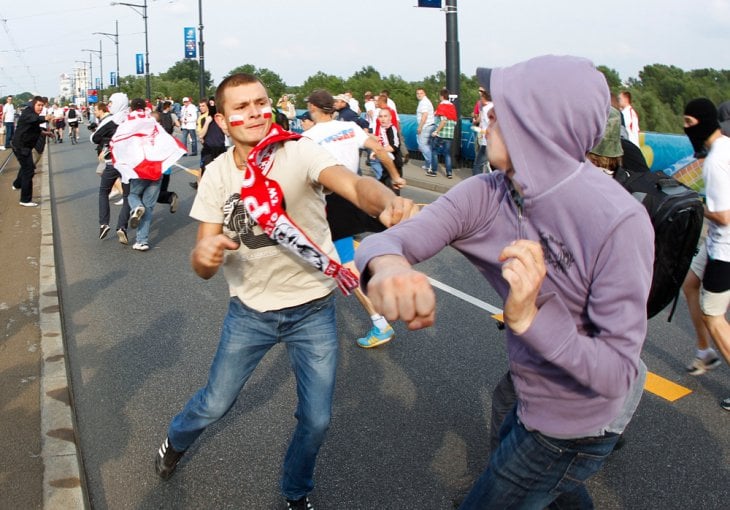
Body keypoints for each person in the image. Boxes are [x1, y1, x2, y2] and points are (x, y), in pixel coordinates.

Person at [355, 55, 654, 508]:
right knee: (547, 483)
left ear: (542, 124)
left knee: (515, 485)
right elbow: (383, 243)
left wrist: (530, 318)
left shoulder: (619, 220)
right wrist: (392, 267)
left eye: (504, 107)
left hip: (578, 419)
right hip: (527, 385)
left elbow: (616, 373)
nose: (488, 115)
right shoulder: (489, 191)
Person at [154, 73, 417, 510]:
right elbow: (201, 259)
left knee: (316, 420)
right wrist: (208, 255)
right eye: (241, 107)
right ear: (221, 118)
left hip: (313, 309)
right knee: (214, 404)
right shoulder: (218, 175)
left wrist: (385, 202)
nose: (254, 112)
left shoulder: (298, 151)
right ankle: (176, 440)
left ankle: (296, 492)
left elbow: (352, 184)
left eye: (260, 102)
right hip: (250, 313)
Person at [304, 89, 405, 349]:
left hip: (333, 200)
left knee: (346, 263)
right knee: (395, 231)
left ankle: (380, 322)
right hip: (359, 190)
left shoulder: (308, 138)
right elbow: (381, 150)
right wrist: (394, 176)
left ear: (313, 108)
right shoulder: (350, 127)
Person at [682, 98, 730, 411]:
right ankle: (705, 352)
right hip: (717, 242)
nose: (685, 129)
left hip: (724, 247)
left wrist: (697, 205)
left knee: (714, 317)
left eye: (688, 123)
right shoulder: (725, 145)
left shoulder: (714, 162)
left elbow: (723, 216)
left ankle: (713, 345)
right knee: (689, 283)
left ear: (701, 122)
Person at [110, 98, 186, 251]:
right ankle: (142, 241)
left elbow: (117, 142)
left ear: (131, 109)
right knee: (149, 207)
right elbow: (166, 140)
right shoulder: (152, 123)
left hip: (138, 169)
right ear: (145, 108)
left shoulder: (127, 123)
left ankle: (137, 207)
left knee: (132, 195)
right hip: (156, 169)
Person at [93, 95, 131, 242]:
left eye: (111, 102)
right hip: (128, 163)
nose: (109, 104)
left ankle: (104, 224)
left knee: (103, 191)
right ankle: (122, 226)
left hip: (112, 161)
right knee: (128, 196)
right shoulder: (130, 119)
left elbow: (94, 138)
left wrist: (107, 141)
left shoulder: (111, 120)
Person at [11, 96, 53, 206]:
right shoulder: (28, 113)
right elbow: (33, 119)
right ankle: (25, 200)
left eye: (42, 106)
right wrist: (45, 118)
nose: (40, 108)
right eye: (38, 105)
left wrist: (45, 133)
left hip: (25, 146)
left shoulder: (33, 114)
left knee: (27, 167)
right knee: (28, 170)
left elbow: (34, 127)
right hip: (21, 146)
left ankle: (17, 184)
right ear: (33, 104)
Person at [429, 87, 457, 178]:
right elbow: (454, 121)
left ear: (441, 96)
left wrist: (436, 131)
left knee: (434, 151)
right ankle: (449, 173)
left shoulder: (442, 106)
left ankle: (434, 171)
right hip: (449, 135)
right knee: (447, 154)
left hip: (441, 134)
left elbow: (443, 120)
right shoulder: (452, 107)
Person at [415, 87, 435, 172]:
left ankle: (431, 164)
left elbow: (425, 115)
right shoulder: (425, 101)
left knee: (423, 146)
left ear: (424, 94)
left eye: (421, 93)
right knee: (428, 146)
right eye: (418, 93)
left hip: (425, 126)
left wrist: (420, 127)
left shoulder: (423, 103)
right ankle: (428, 164)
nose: (419, 95)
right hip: (429, 126)